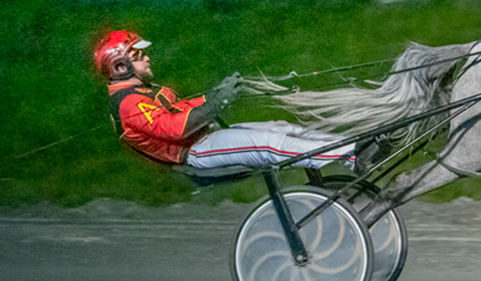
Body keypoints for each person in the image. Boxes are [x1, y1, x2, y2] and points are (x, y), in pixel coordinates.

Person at [95, 30, 355, 172]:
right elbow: (176, 128)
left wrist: (218, 92)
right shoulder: (129, 103)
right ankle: (347, 155)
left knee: (282, 127)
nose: (147, 58)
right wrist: (221, 100)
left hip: (206, 136)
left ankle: (352, 149)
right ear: (120, 67)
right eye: (139, 55)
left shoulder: (143, 91)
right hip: (195, 151)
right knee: (270, 145)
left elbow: (182, 107)